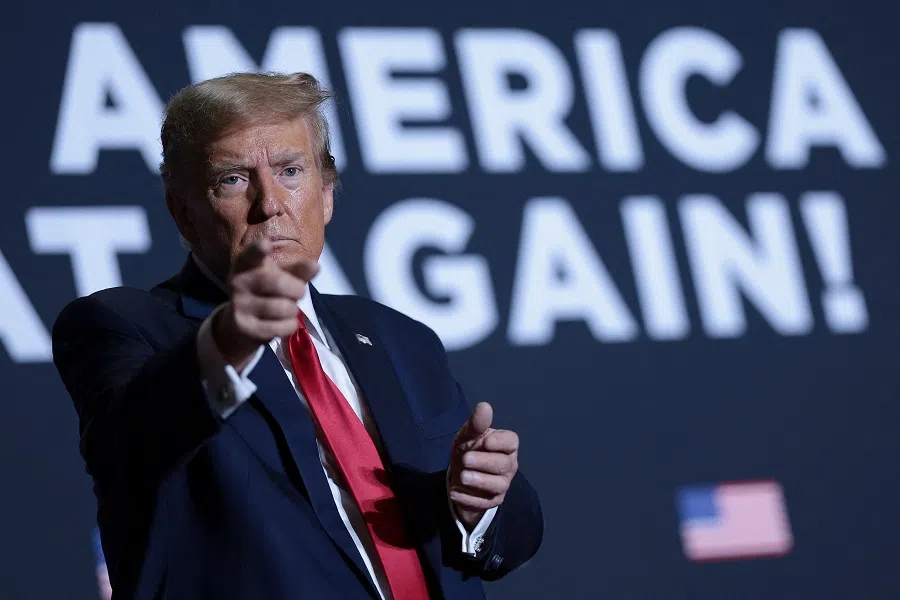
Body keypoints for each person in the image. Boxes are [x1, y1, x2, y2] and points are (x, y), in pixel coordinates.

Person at [52, 72, 543, 600]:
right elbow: (132, 443)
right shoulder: (124, 325)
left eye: (290, 171)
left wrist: (477, 505)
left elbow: (513, 542)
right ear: (182, 210)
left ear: (326, 194)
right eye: (234, 179)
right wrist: (229, 340)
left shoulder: (400, 338)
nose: (271, 204)